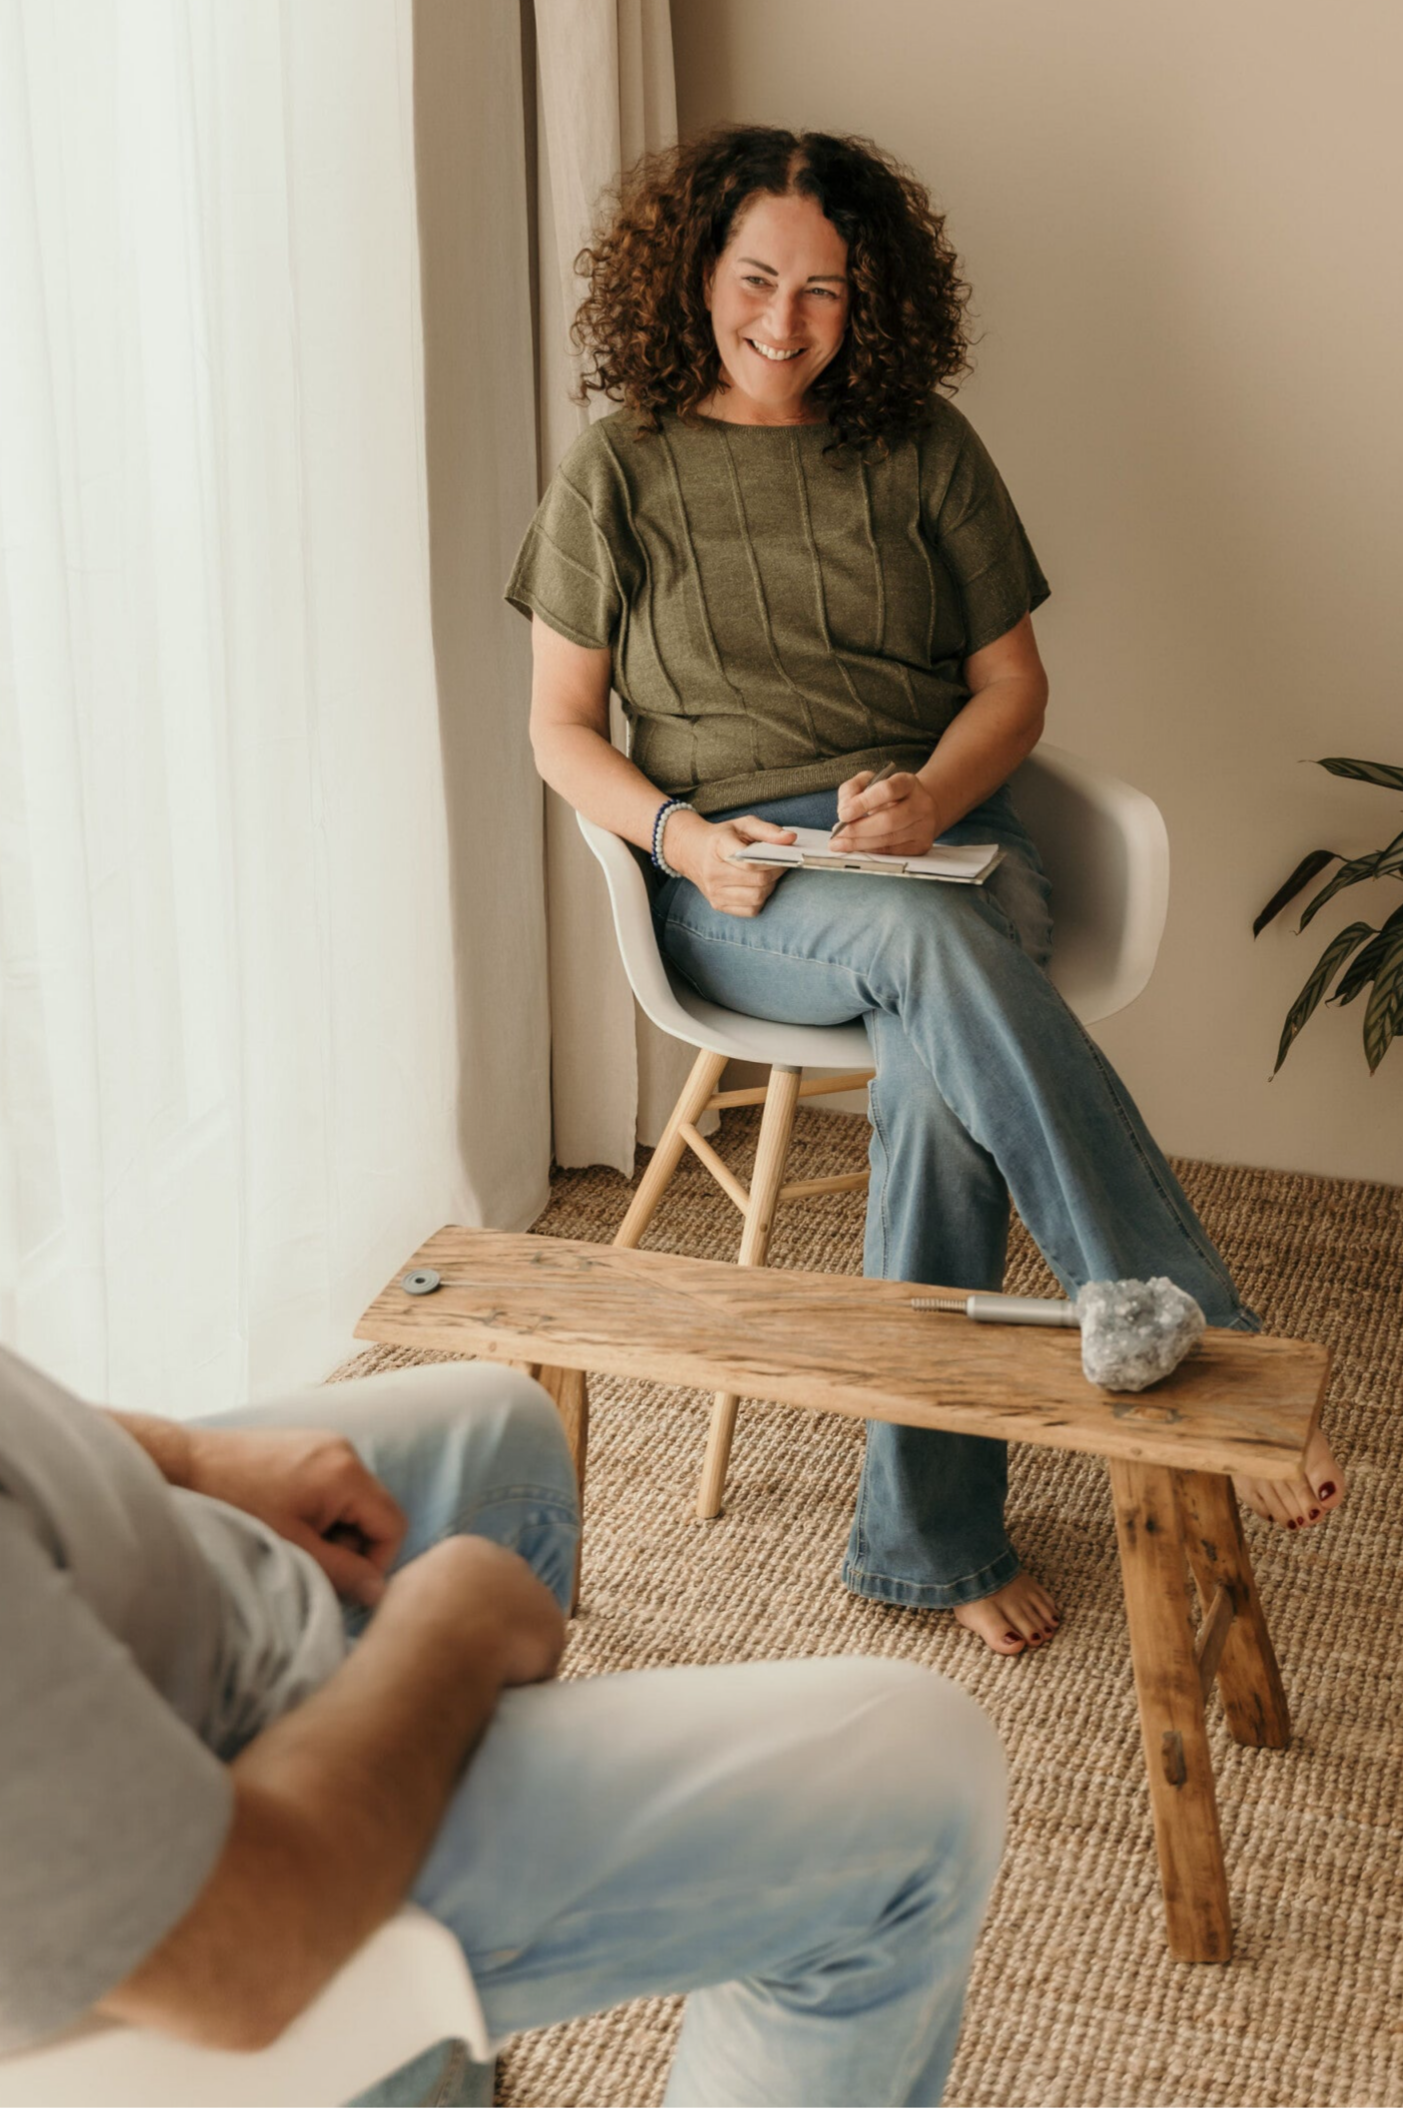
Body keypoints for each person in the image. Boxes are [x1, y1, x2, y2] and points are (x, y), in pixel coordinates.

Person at [0, 622, 1006, 2110]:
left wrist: (190, 1459)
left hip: (155, 1627)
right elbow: (234, 1962)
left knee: (494, 1430)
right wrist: (447, 1639)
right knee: (913, 1770)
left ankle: (429, 2069)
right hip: (247, 1832)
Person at [512, 126, 1346, 1660]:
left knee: (934, 1058)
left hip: (939, 845)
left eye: (823, 290)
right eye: (754, 278)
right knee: (933, 968)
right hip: (739, 883)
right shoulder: (617, 467)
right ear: (692, 272)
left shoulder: (923, 445)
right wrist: (681, 838)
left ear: (869, 299)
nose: (783, 320)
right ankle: (1206, 1343)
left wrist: (926, 802)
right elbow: (559, 728)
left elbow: (1011, 688)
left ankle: (925, 1537)